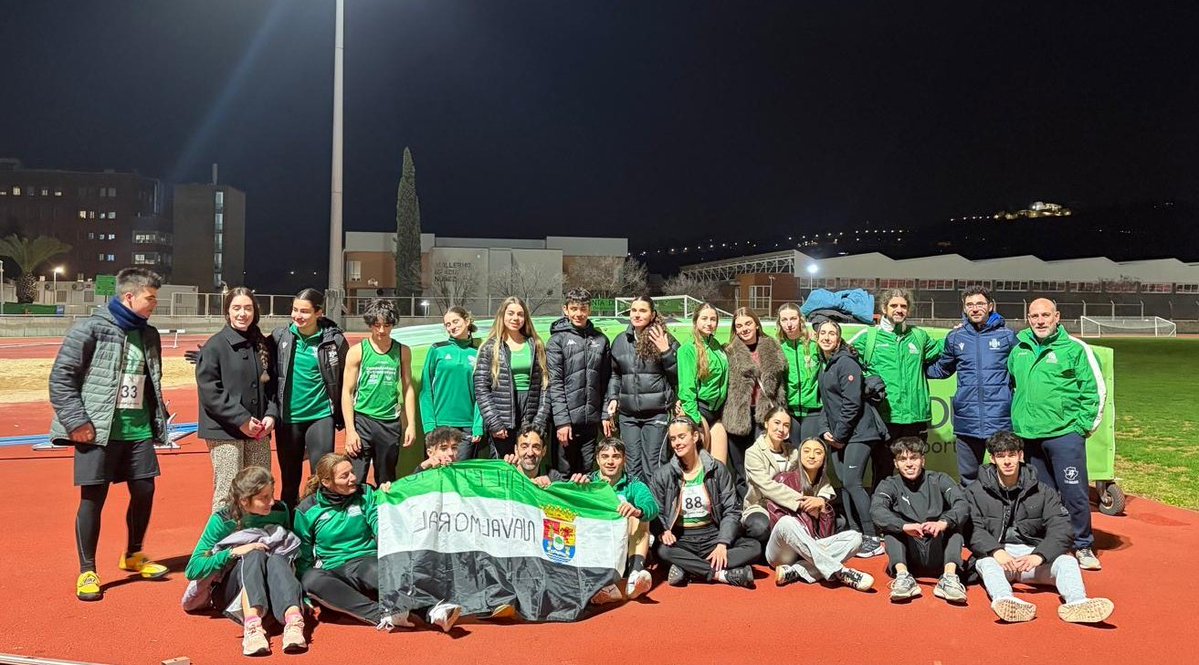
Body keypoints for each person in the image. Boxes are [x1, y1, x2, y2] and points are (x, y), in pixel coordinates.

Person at [50, 267, 170, 601]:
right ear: (129, 296)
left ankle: (133, 554)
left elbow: (150, 383)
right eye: (150, 298)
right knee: (93, 499)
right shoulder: (90, 328)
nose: (154, 304)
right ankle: (87, 570)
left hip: (138, 430)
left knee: (145, 490)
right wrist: (77, 422)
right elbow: (61, 378)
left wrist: (157, 420)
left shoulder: (149, 334)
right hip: (97, 431)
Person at [295, 453, 460, 632]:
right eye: (345, 476)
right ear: (327, 482)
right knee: (311, 579)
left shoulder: (365, 493)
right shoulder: (306, 510)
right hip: (333, 570)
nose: (353, 478)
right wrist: (304, 597)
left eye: (352, 472)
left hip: (366, 562)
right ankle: (384, 615)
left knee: (375, 567)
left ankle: (433, 611)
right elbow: (303, 555)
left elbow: (378, 522)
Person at [966, 432, 1114, 623]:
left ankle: (1078, 603)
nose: (1007, 461)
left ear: (1021, 456)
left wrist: (1040, 555)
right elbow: (972, 528)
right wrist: (995, 551)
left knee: (1067, 562)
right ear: (993, 459)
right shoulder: (975, 491)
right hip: (999, 557)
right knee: (985, 563)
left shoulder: (1043, 491)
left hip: (1033, 557)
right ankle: (1005, 600)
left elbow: (1062, 528)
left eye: (1011, 455)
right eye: (1001, 456)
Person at [1009, 298, 1106, 571]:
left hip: (1064, 435)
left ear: (1057, 317)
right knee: (1043, 495)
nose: (1040, 320)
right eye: (1034, 316)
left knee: (1073, 492)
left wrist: (1081, 427)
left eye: (1045, 315)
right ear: (1028, 318)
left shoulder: (1075, 349)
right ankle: (1053, 542)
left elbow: (1095, 391)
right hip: (1029, 436)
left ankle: (1083, 544)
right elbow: (1014, 386)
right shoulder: (1019, 350)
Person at [184, 466, 307, 656]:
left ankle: (293, 622)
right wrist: (233, 552)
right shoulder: (222, 520)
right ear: (244, 501)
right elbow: (193, 570)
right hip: (232, 592)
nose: (271, 501)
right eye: (263, 498)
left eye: (271, 494)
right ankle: (252, 628)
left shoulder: (280, 510)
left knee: (277, 557)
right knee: (254, 553)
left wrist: (302, 594)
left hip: (272, 588)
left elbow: (290, 551)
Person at [651, 418, 761, 589]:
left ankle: (688, 568)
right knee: (661, 550)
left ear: (695, 436)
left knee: (754, 547)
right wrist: (663, 530)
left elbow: (731, 510)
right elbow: (654, 510)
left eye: (681, 437)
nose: (677, 443)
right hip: (682, 538)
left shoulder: (717, 469)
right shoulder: (663, 474)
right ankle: (721, 574)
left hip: (712, 535)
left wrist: (723, 543)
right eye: (673, 439)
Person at [196, 287, 278, 512]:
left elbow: (272, 387)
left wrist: (271, 415)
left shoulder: (262, 344)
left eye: (248, 308)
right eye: (237, 308)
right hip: (225, 432)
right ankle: (221, 543)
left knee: (261, 487)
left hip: (258, 431)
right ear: (227, 311)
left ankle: (257, 537)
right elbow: (210, 393)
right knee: (229, 490)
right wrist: (241, 419)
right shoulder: (215, 346)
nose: (243, 314)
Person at [849, 288, 942, 488]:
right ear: (884, 308)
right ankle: (883, 515)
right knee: (883, 470)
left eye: (903, 306)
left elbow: (944, 349)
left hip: (914, 418)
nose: (899, 310)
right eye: (894, 305)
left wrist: (960, 332)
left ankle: (915, 512)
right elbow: (844, 359)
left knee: (914, 470)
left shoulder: (919, 336)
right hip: (884, 418)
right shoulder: (870, 336)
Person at [926, 286, 1018, 485]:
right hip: (967, 420)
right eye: (970, 305)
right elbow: (942, 369)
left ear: (990, 306)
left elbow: (1021, 372)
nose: (975, 309)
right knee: (969, 479)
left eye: (980, 304)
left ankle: (1005, 514)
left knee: (1005, 475)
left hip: (1000, 419)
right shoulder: (955, 337)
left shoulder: (1007, 337)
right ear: (964, 308)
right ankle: (973, 515)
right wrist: (913, 368)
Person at [816, 320, 888, 558]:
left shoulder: (846, 362)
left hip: (860, 433)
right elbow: (827, 405)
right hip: (839, 434)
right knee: (845, 484)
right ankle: (855, 532)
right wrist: (827, 430)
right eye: (822, 333)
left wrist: (839, 435)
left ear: (838, 339)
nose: (826, 337)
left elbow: (852, 403)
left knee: (853, 482)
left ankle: (872, 537)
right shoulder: (825, 366)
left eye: (831, 334)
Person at [766, 436, 875, 592]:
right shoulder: (783, 479)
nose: (812, 456)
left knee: (855, 538)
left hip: (810, 550)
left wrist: (822, 509)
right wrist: (804, 512)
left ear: (824, 458)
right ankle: (840, 572)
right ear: (799, 454)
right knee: (787, 522)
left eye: (818, 452)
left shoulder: (824, 486)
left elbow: (825, 536)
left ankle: (797, 570)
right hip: (782, 552)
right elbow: (779, 525)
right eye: (807, 451)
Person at [272, 288, 348, 509]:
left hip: (320, 416)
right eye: (295, 310)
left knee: (322, 477)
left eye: (304, 311)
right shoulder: (280, 337)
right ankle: (290, 526)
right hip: (288, 418)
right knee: (289, 481)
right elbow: (258, 355)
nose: (298, 316)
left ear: (319, 313)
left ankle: (319, 522)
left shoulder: (334, 341)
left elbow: (347, 375)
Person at [870, 437, 969, 603]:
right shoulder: (888, 484)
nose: (909, 464)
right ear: (895, 463)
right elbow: (877, 510)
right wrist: (904, 526)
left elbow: (962, 504)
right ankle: (903, 578)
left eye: (913, 458)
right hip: (909, 554)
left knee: (954, 525)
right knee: (891, 529)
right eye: (903, 459)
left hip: (940, 552)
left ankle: (950, 579)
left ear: (923, 460)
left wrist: (942, 522)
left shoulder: (940, 479)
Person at [574, 437, 660, 603]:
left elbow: (652, 507)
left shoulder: (633, 484)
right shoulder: (587, 482)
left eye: (616, 456)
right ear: (597, 460)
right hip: (595, 547)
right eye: (605, 456)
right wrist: (574, 488)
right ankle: (607, 586)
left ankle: (634, 576)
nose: (610, 462)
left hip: (624, 547)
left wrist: (637, 510)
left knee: (639, 517)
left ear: (624, 459)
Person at [604, 295, 680, 482]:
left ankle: (657, 508)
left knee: (653, 466)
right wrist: (613, 398)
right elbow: (615, 374)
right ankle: (637, 507)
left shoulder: (665, 338)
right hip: (628, 416)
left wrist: (667, 352)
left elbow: (678, 375)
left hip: (656, 414)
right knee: (632, 466)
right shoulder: (621, 341)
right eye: (634, 310)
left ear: (653, 314)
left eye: (643, 311)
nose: (637, 315)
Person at [341, 299, 414, 485]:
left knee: (386, 479)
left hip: (390, 423)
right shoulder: (358, 351)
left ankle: (381, 513)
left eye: (387, 325)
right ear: (370, 324)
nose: (381, 331)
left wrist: (411, 424)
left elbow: (408, 388)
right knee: (355, 479)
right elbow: (347, 392)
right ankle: (356, 513)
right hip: (363, 421)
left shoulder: (403, 351)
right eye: (377, 325)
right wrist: (350, 430)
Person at [546, 288, 612, 476]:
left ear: (589, 310)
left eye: (583, 309)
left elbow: (607, 380)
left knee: (585, 474)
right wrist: (562, 422)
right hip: (566, 424)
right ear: (565, 310)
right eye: (574, 309)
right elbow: (555, 384)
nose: (578, 314)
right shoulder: (556, 341)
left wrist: (605, 413)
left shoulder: (601, 340)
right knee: (563, 475)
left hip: (590, 423)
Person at [474, 297, 549, 460]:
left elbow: (545, 385)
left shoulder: (535, 344)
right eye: (511, 313)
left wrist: (539, 420)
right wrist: (494, 422)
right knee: (504, 467)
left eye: (520, 314)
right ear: (502, 316)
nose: (515, 318)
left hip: (529, 413)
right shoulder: (490, 347)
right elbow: (481, 389)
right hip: (502, 417)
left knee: (528, 464)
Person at [724, 307, 787, 500]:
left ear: (756, 324)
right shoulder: (729, 350)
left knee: (764, 466)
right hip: (738, 415)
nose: (744, 329)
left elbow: (781, 384)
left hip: (765, 415)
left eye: (748, 323)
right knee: (741, 468)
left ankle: (766, 508)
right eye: (739, 325)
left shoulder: (771, 346)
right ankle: (746, 510)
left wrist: (781, 409)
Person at [419, 307, 485, 460]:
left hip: (467, 428)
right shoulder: (437, 350)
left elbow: (482, 393)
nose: (452, 327)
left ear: (467, 321)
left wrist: (477, 425)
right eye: (447, 324)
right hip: (440, 425)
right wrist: (429, 425)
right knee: (436, 475)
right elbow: (426, 390)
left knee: (460, 476)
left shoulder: (478, 353)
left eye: (455, 321)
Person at [676, 303, 729, 463]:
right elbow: (687, 388)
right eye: (704, 318)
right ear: (696, 321)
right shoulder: (688, 349)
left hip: (717, 412)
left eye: (713, 319)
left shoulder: (717, 346)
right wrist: (695, 419)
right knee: (698, 465)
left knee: (720, 467)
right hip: (700, 410)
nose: (709, 323)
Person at [776, 303, 823, 444]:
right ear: (779, 323)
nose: (789, 324)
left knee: (811, 452)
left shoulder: (815, 344)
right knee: (794, 456)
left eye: (793, 319)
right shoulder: (778, 347)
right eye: (784, 320)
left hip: (813, 411)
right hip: (789, 412)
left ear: (800, 320)